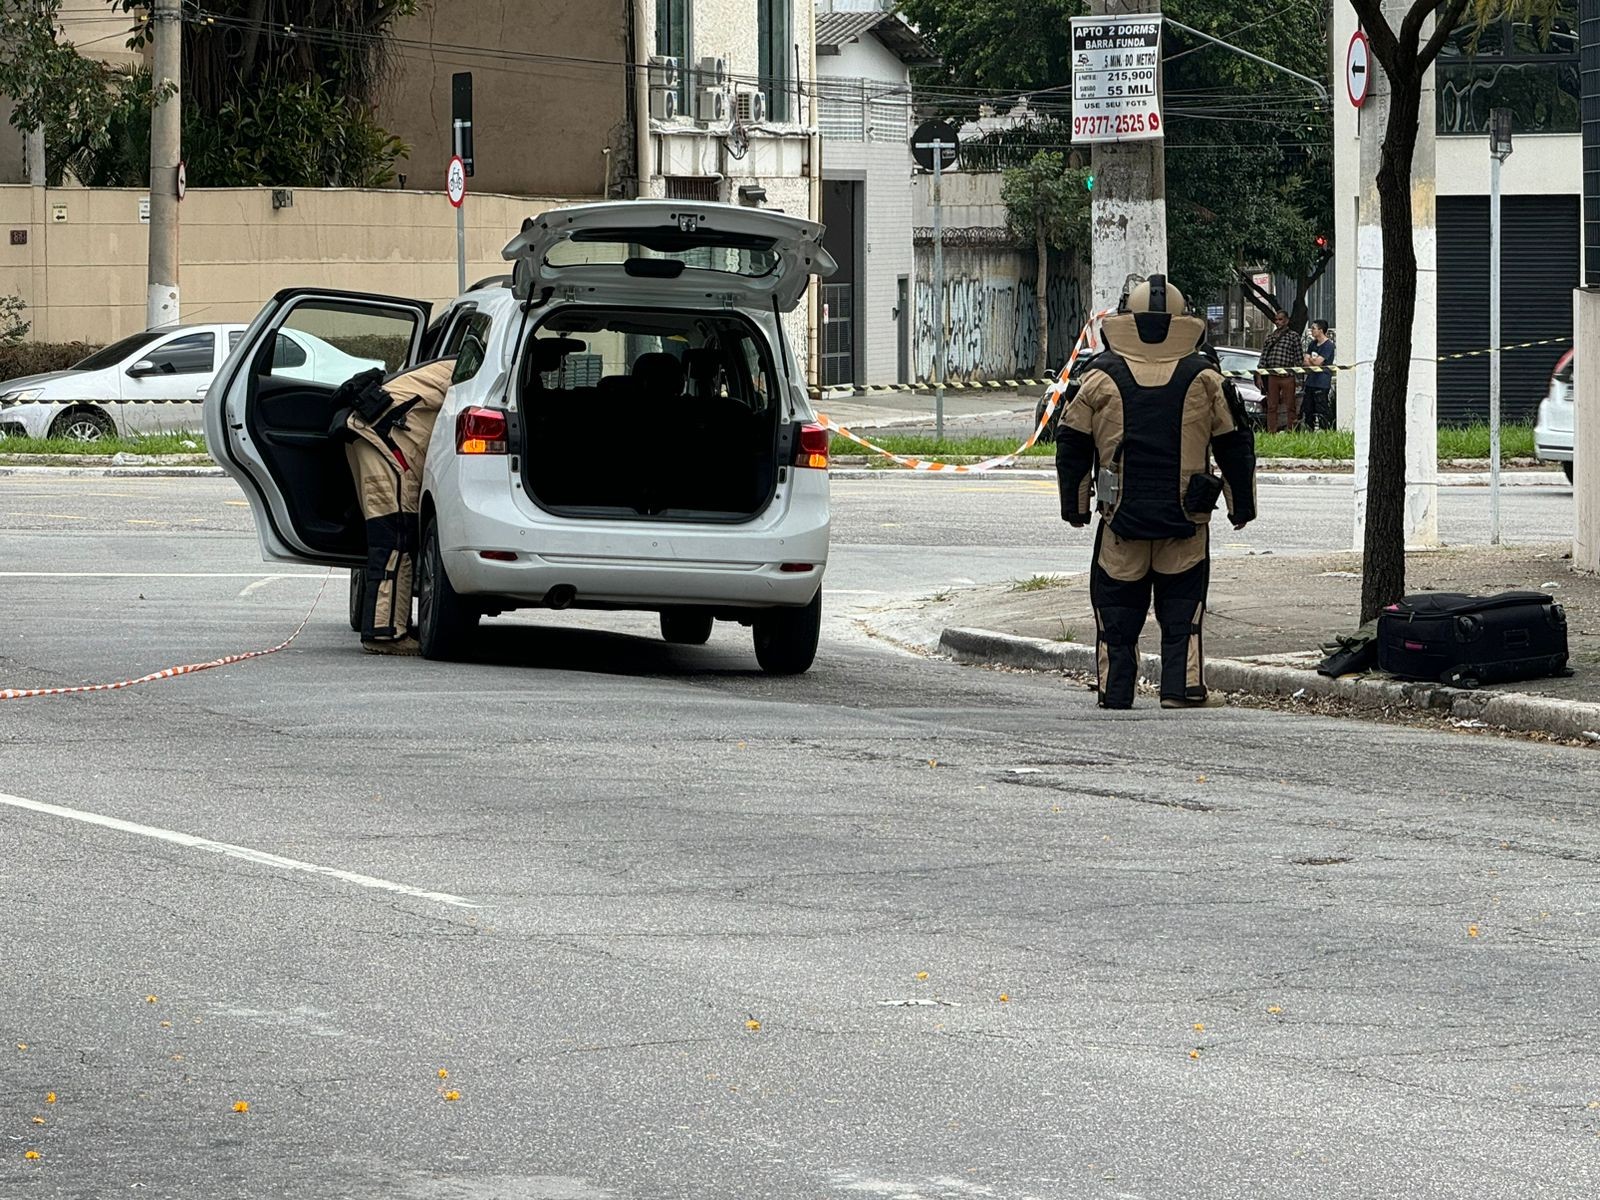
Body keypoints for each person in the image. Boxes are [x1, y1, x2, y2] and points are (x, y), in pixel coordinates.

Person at [1055, 276, 1258, 710]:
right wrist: (1242, 506)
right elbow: (1236, 443)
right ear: (1183, 320)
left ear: (1128, 318)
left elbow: (1070, 441)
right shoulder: (1205, 378)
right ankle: (1181, 689)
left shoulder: (1098, 377)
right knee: (1183, 613)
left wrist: (1075, 507)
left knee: (1116, 612)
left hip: (1119, 523)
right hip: (1186, 523)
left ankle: (1115, 691)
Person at [331, 357, 457, 655]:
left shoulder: (451, 363)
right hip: (385, 442)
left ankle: (386, 625)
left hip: (370, 432)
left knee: (391, 537)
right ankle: (384, 635)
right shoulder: (472, 370)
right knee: (394, 538)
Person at [1257, 309, 1303, 433]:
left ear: (1287, 320)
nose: (1278, 322)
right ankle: (1271, 431)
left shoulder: (1293, 336)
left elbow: (1299, 358)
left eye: (1281, 319)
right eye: (1276, 319)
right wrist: (1260, 374)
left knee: (1290, 406)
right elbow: (1264, 356)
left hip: (1288, 375)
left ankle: (1291, 430)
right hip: (1272, 376)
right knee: (1272, 406)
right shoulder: (1270, 337)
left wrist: (1299, 378)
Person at [1301, 319, 1336, 431]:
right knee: (1308, 408)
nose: (1311, 331)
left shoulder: (1328, 345)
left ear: (1321, 330)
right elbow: (1305, 362)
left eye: (1313, 328)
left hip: (1321, 382)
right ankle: (1309, 429)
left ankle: (1324, 429)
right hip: (1310, 381)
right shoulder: (1312, 344)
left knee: (1321, 408)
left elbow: (1318, 362)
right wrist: (1312, 360)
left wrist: (1311, 360)